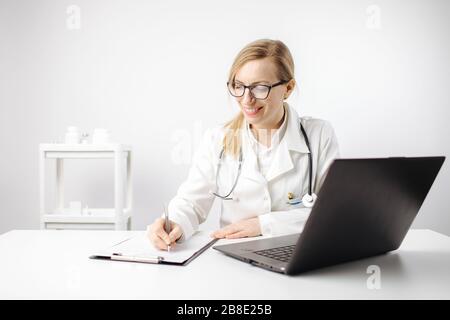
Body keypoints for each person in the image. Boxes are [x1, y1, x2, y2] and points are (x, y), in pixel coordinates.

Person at [147, 39, 339, 250]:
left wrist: (263, 225)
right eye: (238, 86)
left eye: (259, 88)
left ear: (288, 88)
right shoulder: (217, 139)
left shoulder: (318, 135)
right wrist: (173, 223)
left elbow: (333, 212)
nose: (246, 99)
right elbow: (191, 202)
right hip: (236, 257)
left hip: (298, 253)